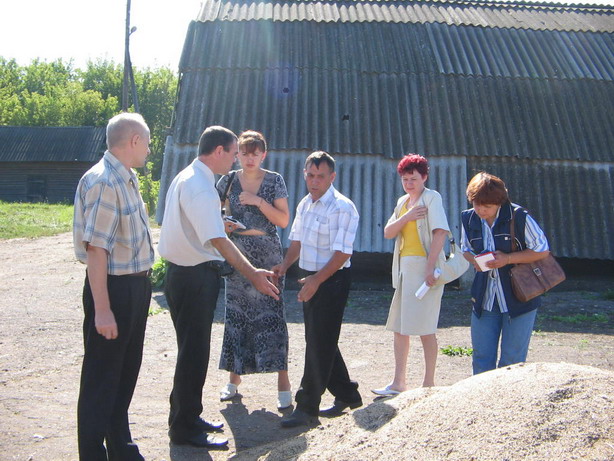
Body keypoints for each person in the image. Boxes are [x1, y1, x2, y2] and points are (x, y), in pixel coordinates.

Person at [158, 125, 279, 449]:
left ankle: (188, 415)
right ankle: (184, 429)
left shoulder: (191, 177)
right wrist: (253, 272)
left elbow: (202, 227)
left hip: (185, 274)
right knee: (193, 354)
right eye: (233, 153)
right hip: (193, 276)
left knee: (192, 352)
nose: (235, 161)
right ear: (219, 152)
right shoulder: (200, 186)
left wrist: (217, 223)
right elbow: (216, 240)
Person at [73, 112, 154, 460]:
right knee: (101, 379)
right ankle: (92, 454)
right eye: (148, 143)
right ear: (134, 140)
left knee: (123, 374)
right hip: (114, 290)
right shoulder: (105, 181)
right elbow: (97, 250)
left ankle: (120, 446)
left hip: (133, 287)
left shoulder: (127, 177)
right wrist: (102, 309)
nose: (149, 151)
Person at [273, 151, 362, 428]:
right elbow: (296, 240)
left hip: (332, 280)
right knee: (320, 338)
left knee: (318, 342)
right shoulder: (305, 204)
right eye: (310, 175)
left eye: (320, 176)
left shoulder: (343, 207)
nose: (314, 181)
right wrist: (284, 266)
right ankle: (348, 394)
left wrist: (317, 281)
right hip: (308, 276)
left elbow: (342, 254)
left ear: (332, 177)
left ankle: (307, 406)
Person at [216, 130, 292, 410]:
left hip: (268, 252)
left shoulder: (275, 180)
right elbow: (215, 213)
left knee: (273, 313)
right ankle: (234, 381)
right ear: (237, 154)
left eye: (255, 152)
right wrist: (224, 223)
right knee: (237, 315)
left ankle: (283, 382)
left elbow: (283, 220)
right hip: (237, 254)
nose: (250, 158)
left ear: (264, 154)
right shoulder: (227, 181)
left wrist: (258, 201)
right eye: (245, 152)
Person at [372, 154, 450, 396]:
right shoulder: (402, 202)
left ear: (424, 177)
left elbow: (440, 233)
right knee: (399, 326)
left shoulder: (432, 197)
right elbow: (388, 232)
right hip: (404, 267)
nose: (409, 183)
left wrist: (429, 267)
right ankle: (399, 382)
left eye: (413, 179)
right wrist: (406, 216)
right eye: (405, 179)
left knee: (426, 326)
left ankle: (429, 383)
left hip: (424, 266)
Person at [460, 172, 549, 375]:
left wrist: (507, 259)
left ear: (499, 202)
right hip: (485, 298)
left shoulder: (519, 216)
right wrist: (475, 261)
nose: (481, 210)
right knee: (481, 358)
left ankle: (509, 405)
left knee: (512, 360)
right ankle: (482, 402)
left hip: (520, 297)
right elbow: (465, 248)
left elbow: (543, 250)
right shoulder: (468, 218)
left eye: (487, 206)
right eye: (476, 204)